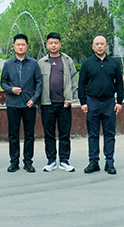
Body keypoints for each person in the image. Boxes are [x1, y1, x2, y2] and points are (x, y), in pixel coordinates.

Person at [79, 35, 124, 175]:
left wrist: (119, 102)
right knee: (93, 135)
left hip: (109, 103)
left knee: (109, 134)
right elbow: (82, 83)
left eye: (102, 44)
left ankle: (109, 162)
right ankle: (93, 162)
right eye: (97, 44)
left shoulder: (114, 63)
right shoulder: (87, 63)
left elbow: (119, 83)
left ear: (106, 46)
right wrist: (83, 102)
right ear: (93, 47)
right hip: (92, 102)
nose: (99, 46)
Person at [0, 34, 42, 173]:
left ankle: (28, 162)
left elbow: (39, 83)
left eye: (23, 44)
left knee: (29, 134)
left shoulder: (33, 64)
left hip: (29, 104)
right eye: (18, 44)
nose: (20, 47)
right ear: (14, 46)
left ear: (27, 46)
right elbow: (3, 82)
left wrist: (34, 99)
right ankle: (14, 162)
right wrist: (11, 89)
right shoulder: (8, 64)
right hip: (13, 103)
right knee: (13, 134)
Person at [38, 32, 78, 172]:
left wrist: (70, 99)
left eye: (56, 43)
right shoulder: (41, 62)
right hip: (47, 103)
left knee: (64, 133)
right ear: (47, 45)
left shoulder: (67, 60)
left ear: (60, 44)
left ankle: (64, 160)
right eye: (51, 43)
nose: (53, 45)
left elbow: (74, 80)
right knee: (49, 134)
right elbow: (37, 82)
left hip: (64, 104)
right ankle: (51, 160)